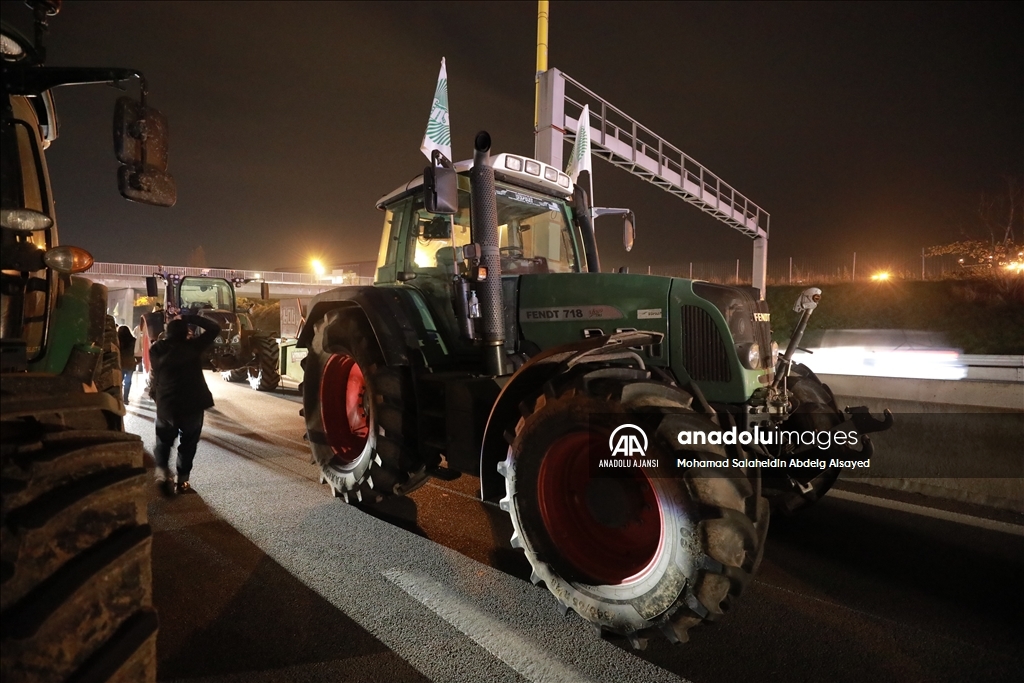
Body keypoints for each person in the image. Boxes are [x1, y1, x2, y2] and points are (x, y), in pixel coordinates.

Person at [149, 313, 221, 495]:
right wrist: (191, 317)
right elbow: (215, 328)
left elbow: (155, 375)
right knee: (188, 443)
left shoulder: (156, 350)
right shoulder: (194, 347)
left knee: (163, 442)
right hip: (192, 405)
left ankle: (162, 473)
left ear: (166, 333)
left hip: (166, 405)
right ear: (187, 333)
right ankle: (183, 481)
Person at [117, 325, 136, 403]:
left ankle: (119, 398)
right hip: (130, 363)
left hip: (120, 362)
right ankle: (125, 398)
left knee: (119, 381)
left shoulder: (117, 341)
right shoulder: (134, 340)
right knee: (128, 381)